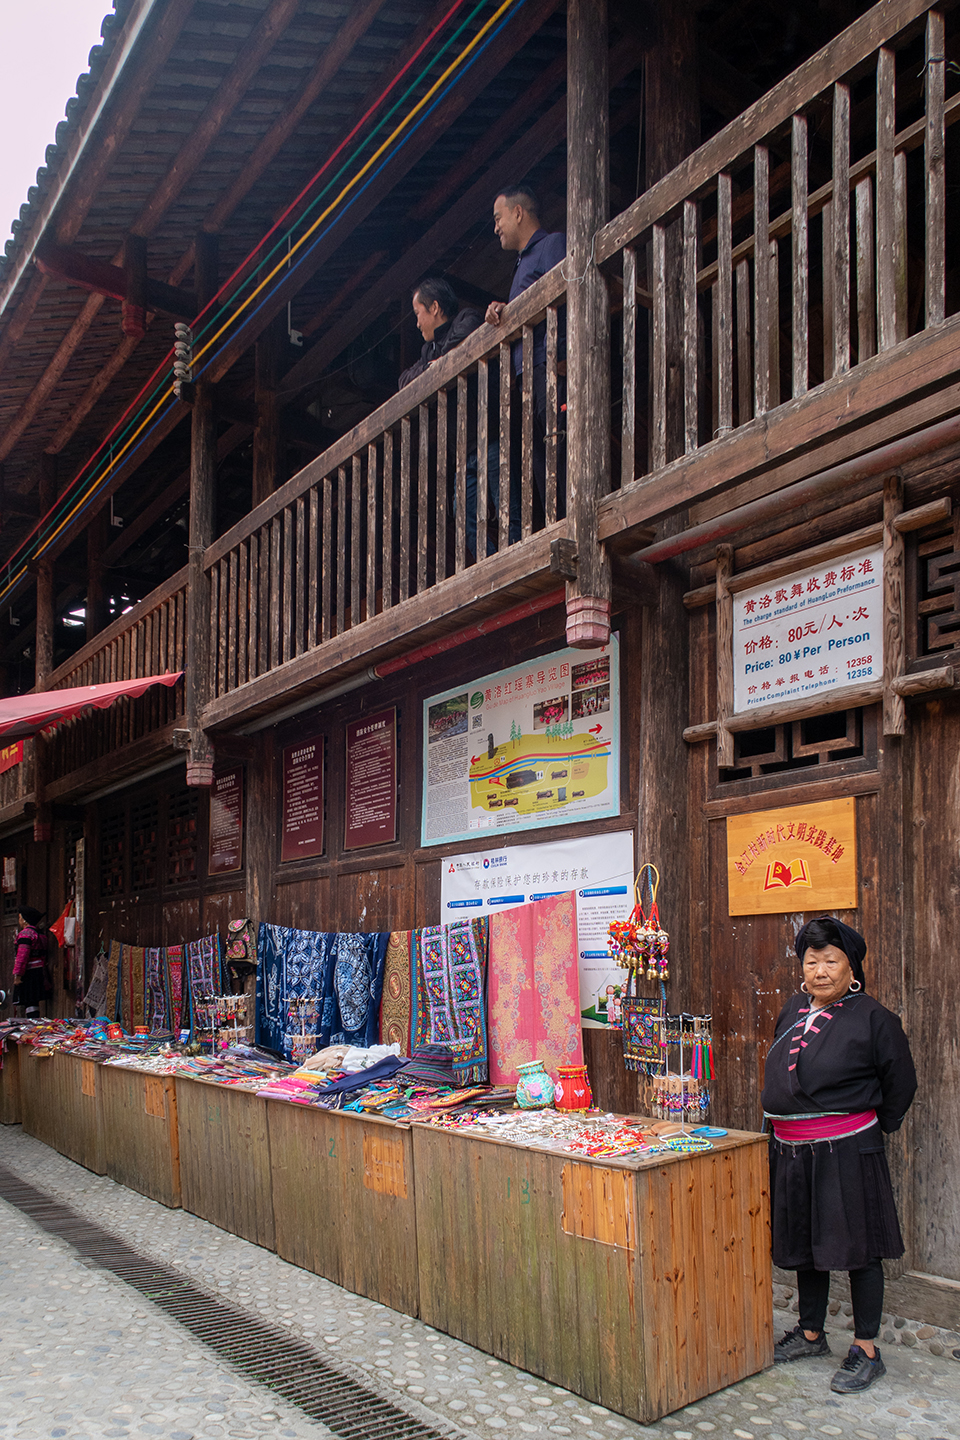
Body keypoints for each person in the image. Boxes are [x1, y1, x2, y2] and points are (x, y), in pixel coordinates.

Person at [761, 916, 916, 1394]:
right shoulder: (791, 1009)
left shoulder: (874, 1018)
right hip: (792, 1151)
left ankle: (867, 1349)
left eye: (831, 961)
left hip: (849, 1149)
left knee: (860, 1248)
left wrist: (868, 1129)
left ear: (852, 969)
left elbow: (901, 1083)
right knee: (808, 1244)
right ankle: (811, 1333)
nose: (820, 970)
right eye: (812, 961)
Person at [485, 184, 566, 518]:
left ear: (518, 213)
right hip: (529, 376)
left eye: (498, 217)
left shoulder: (551, 245)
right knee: (540, 453)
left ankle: (569, 516)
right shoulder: (521, 265)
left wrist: (563, 358)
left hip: (551, 364)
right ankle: (555, 520)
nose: (496, 227)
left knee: (559, 443)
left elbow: (567, 296)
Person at [397, 277, 482, 389]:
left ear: (434, 308)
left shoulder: (466, 317)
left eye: (417, 313)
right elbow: (403, 381)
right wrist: (427, 368)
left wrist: (438, 364)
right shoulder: (428, 350)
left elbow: (463, 337)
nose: (417, 324)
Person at [11, 906, 51, 1019]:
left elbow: (22, 957)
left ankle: (31, 1025)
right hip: (40, 971)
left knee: (29, 1000)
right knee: (33, 1001)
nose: (19, 921)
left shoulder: (25, 934)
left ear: (24, 920)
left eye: (19, 918)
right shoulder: (40, 934)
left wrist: (18, 975)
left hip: (29, 973)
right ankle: (34, 1022)